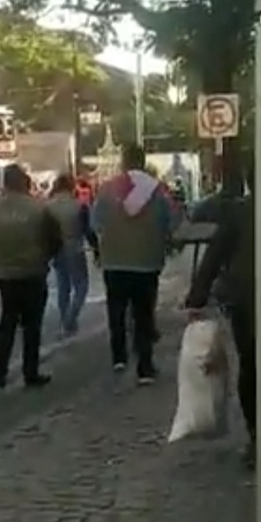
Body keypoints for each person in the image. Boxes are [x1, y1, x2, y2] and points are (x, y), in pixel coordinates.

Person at [185, 162, 255, 468]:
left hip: (245, 299)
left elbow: (214, 256)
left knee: (251, 366)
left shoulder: (239, 212)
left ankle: (256, 435)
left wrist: (197, 298)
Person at [92, 144, 173, 383]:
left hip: (114, 261)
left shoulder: (107, 189)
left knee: (116, 311)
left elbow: (95, 223)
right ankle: (144, 367)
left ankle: (119, 356)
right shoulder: (156, 190)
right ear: (143, 161)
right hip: (147, 262)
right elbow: (169, 222)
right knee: (143, 315)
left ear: (123, 162)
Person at [0, 163, 62, 389]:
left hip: (6, 273)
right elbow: (55, 240)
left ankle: (0, 372)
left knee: (7, 321)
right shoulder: (39, 209)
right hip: (33, 271)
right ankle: (30, 371)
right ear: (24, 182)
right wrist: (43, 257)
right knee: (32, 325)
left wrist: (2, 257)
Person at [47, 173, 99, 336]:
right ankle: (71, 317)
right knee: (81, 286)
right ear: (71, 186)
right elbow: (88, 231)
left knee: (63, 287)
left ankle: (65, 320)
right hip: (75, 249)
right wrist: (96, 249)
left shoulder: (48, 207)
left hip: (56, 250)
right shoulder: (79, 206)